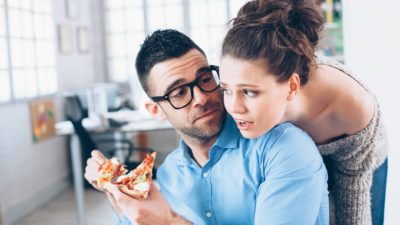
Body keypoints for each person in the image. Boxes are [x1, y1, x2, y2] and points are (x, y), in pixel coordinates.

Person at [84, 29, 329, 225]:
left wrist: (168, 223)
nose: (201, 97)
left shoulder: (284, 148)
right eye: (179, 92)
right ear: (155, 110)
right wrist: (116, 193)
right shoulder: (168, 177)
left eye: (205, 79)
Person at [218, 0, 388, 225]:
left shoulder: (353, 106)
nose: (234, 108)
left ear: (291, 87)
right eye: (226, 90)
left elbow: (353, 198)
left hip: (357, 165)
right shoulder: (242, 73)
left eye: (249, 93)